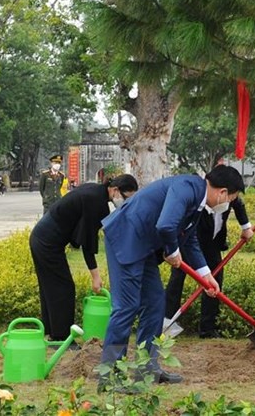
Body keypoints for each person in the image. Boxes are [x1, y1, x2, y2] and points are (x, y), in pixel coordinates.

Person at [99, 165, 244, 387]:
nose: (228, 204)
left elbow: (190, 239)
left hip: (144, 247)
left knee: (156, 303)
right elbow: (166, 225)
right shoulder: (187, 188)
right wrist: (173, 251)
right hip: (126, 239)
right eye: (231, 199)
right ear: (223, 192)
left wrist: (206, 275)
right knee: (127, 306)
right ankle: (109, 375)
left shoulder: (197, 200)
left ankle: (146, 368)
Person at [29, 174, 138, 346]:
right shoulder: (96, 202)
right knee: (63, 287)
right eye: (126, 198)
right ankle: (63, 337)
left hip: (42, 237)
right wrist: (96, 277)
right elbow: (88, 243)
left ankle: (53, 333)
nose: (124, 202)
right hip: (46, 242)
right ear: (116, 190)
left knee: (50, 287)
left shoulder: (96, 192)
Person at [164, 195, 254, 338]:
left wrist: (246, 227)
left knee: (214, 283)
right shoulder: (199, 201)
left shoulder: (229, 196)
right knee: (177, 279)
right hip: (190, 245)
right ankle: (167, 321)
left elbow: (238, 204)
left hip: (212, 244)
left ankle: (208, 328)